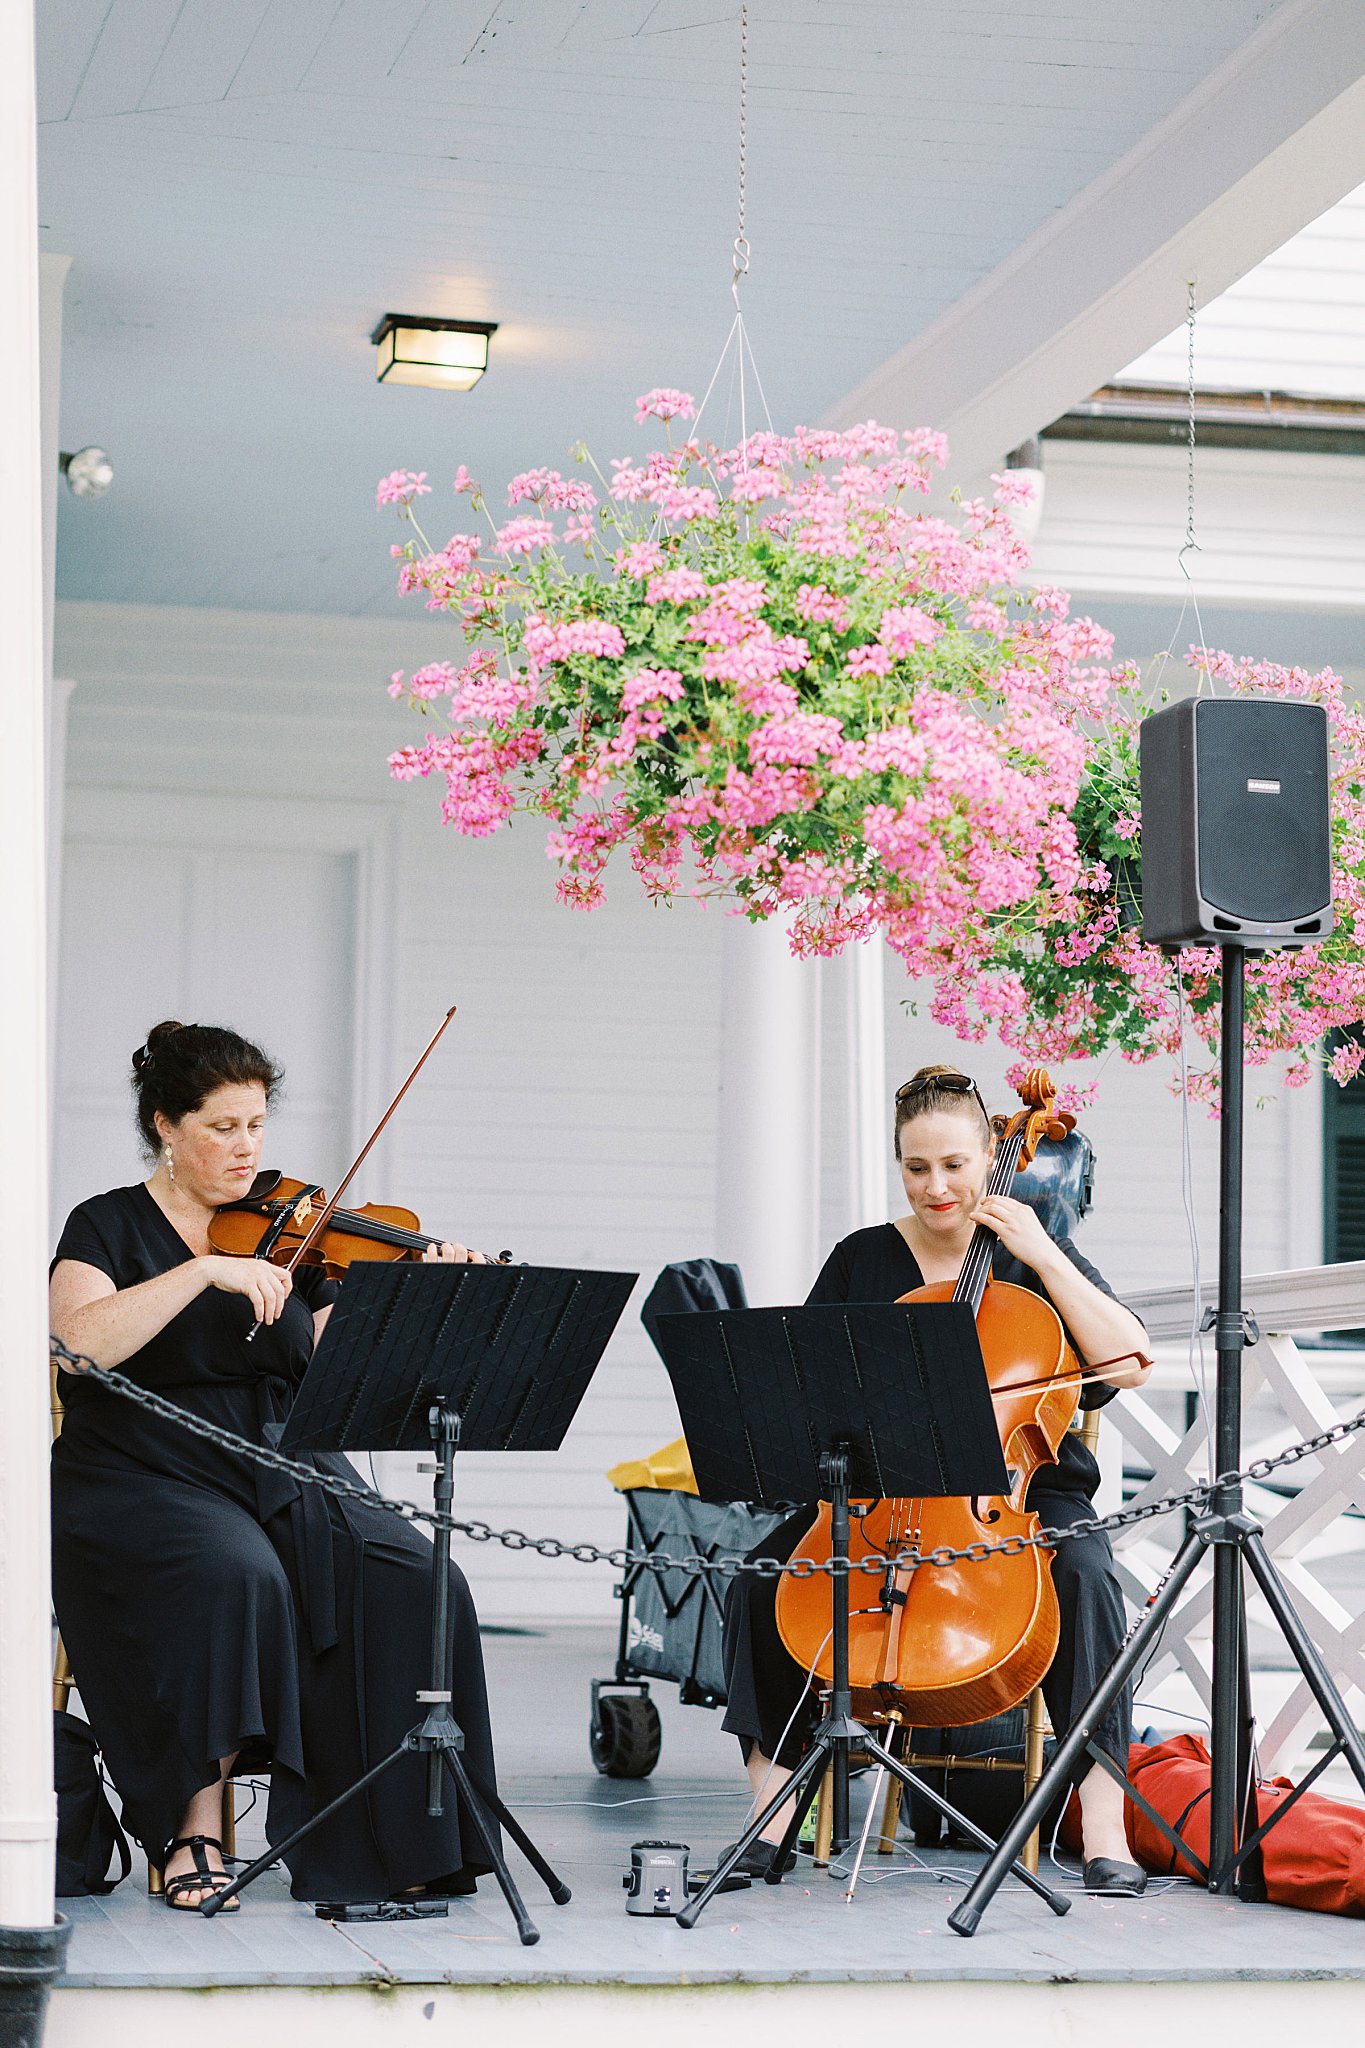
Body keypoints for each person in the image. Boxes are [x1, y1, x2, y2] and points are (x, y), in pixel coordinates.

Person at [49, 1019, 497, 1911]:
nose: (246, 1146)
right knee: (233, 1577)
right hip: (142, 1466)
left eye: (256, 1125)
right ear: (165, 1126)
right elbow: (75, 1346)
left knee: (419, 1578)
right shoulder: (107, 1223)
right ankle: (194, 1829)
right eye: (222, 1127)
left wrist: (415, 1299)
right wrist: (198, 1276)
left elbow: (334, 1358)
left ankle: (388, 1837)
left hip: (281, 1456)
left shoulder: (290, 1230)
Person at [720, 1064, 1153, 1895]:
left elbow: (1130, 1362)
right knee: (758, 1578)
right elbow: (809, 1381)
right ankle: (770, 1819)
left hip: (1020, 1498)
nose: (936, 1186)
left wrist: (1043, 1253)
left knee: (1091, 1578)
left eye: (954, 1165)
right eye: (916, 1168)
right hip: (882, 1493)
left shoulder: (1036, 1253)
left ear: (992, 1153)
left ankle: (1104, 1829)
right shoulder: (864, 1259)